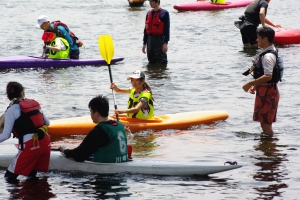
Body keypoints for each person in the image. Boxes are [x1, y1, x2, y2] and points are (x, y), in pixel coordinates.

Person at [0, 82, 51, 180]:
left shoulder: (11, 109)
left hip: (31, 145)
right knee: (32, 176)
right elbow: (47, 123)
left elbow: (6, 135)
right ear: (22, 93)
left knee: (9, 177)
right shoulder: (33, 104)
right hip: (45, 143)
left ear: (8, 96)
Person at [59, 95, 128, 163]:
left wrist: (65, 151)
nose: (90, 115)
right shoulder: (120, 125)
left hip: (108, 169)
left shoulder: (98, 131)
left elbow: (79, 155)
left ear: (97, 114)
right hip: (122, 161)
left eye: (91, 112)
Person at [242, 27, 280, 136]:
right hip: (266, 90)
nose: (256, 40)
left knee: (265, 124)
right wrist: (257, 86)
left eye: (258, 38)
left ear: (265, 39)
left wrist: (251, 83)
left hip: (268, 92)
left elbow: (268, 76)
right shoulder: (268, 52)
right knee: (264, 123)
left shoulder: (268, 56)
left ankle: (270, 148)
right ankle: (268, 146)